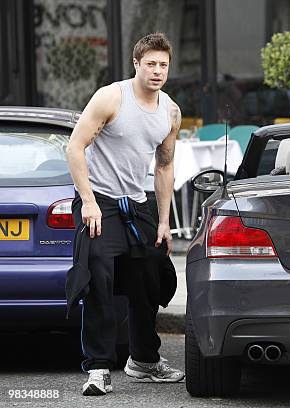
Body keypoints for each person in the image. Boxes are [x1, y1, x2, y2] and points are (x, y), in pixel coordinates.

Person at [66, 32, 184, 396]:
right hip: (99, 204)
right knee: (99, 279)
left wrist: (164, 222)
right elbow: (75, 147)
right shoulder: (111, 96)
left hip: (137, 205)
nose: (157, 71)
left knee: (151, 277)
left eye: (163, 65)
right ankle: (99, 367)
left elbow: (164, 168)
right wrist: (87, 201)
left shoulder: (170, 111)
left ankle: (144, 360)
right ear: (136, 63)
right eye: (151, 63)